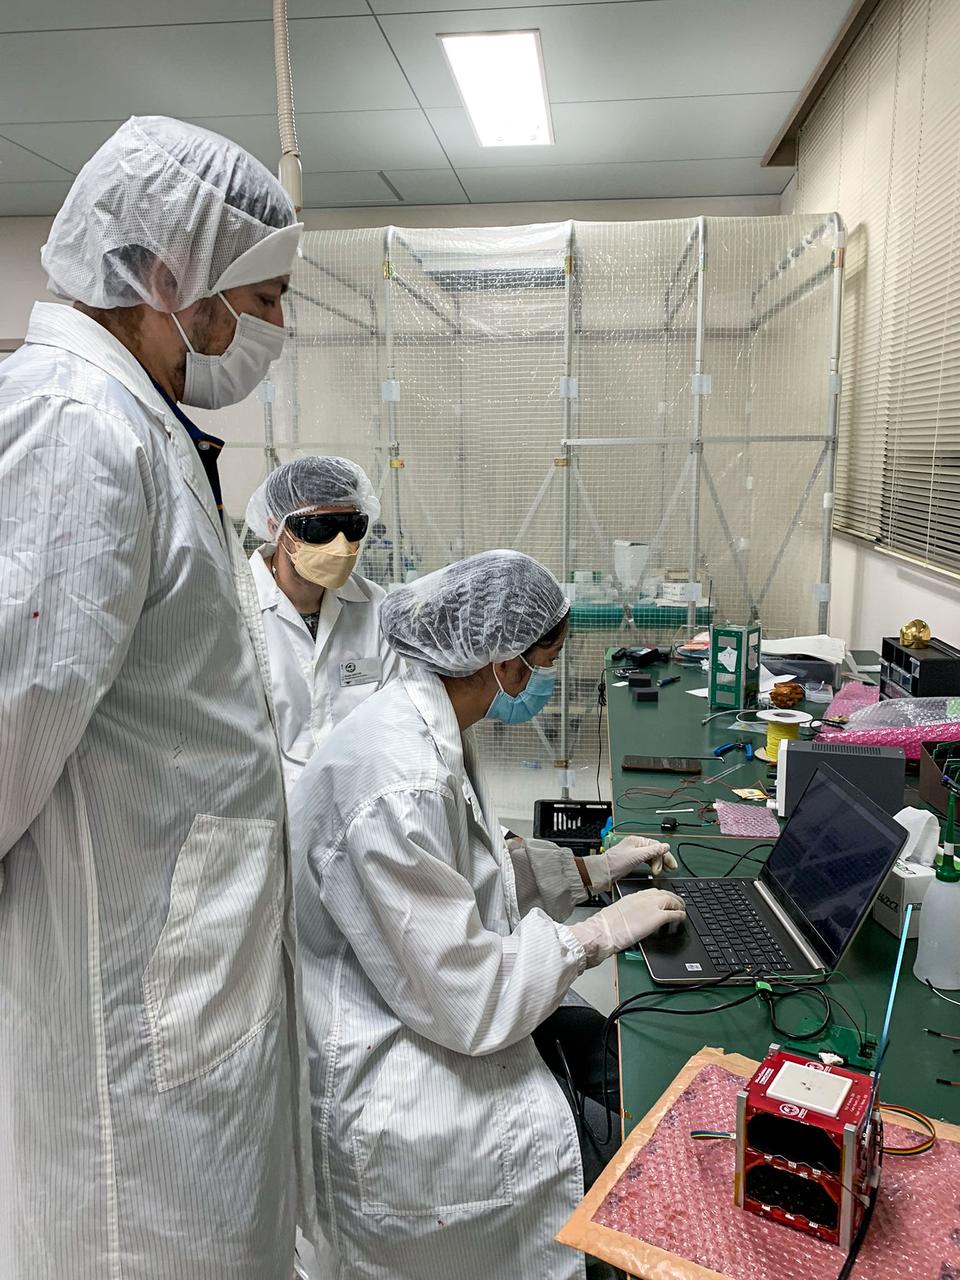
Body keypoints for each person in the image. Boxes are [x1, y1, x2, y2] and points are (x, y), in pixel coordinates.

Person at [0, 117, 314, 1280]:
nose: (275, 329)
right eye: (264, 296)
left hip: (185, 1001)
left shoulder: (138, 423)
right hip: (130, 1056)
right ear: (171, 276)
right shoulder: (76, 431)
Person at [291, 550, 685, 1279]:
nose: (543, 681)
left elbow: (470, 870)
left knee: (602, 1043)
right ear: (500, 662)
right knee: (618, 1162)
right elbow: (469, 996)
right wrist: (594, 937)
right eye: (542, 662)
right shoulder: (398, 778)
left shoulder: (425, 720)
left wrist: (588, 872)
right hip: (403, 1067)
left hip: (426, 1005)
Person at [245, 457, 400, 794]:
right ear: (276, 527)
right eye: (320, 529)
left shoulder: (376, 609)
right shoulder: (234, 607)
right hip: (268, 810)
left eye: (353, 526)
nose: (341, 545)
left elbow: (396, 722)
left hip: (360, 808)